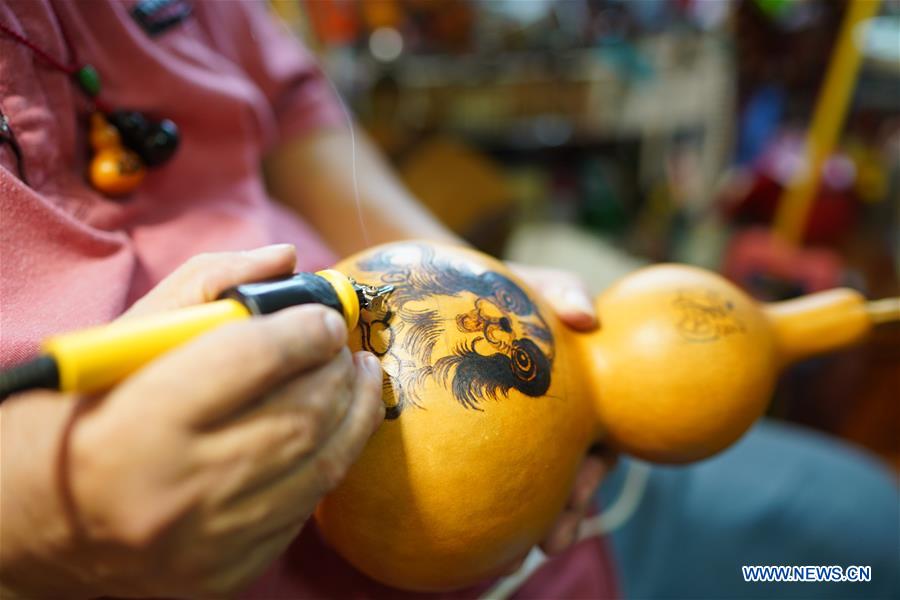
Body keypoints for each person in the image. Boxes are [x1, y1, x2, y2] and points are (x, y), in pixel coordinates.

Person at [1, 2, 896, 599]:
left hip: (575, 518)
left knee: (855, 547)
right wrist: (46, 512)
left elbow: (294, 109)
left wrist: (476, 275)